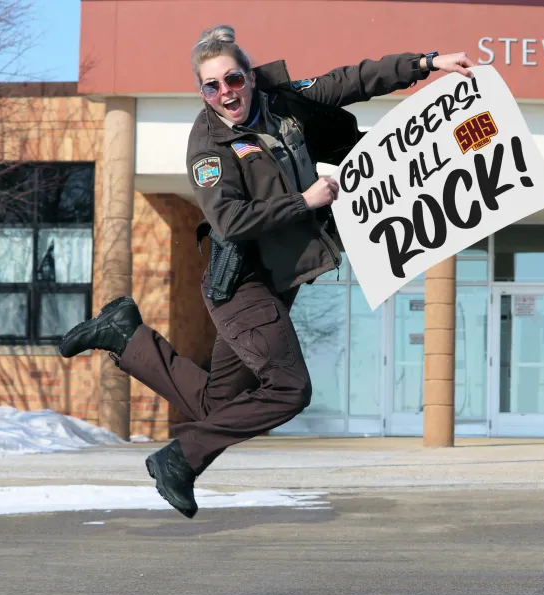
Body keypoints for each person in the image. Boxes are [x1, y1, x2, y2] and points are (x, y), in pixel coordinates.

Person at [58, 25, 476, 519]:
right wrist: (305, 201)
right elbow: (229, 221)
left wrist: (427, 64)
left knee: (219, 406)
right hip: (241, 285)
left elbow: (355, 79)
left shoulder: (282, 102)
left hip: (277, 284)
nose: (225, 93)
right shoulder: (208, 146)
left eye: (232, 80)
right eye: (211, 86)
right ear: (202, 92)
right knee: (288, 389)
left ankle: (125, 336)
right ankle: (181, 458)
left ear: (249, 77)